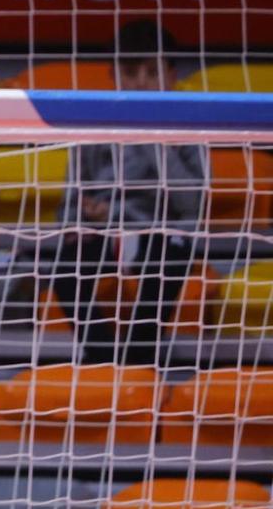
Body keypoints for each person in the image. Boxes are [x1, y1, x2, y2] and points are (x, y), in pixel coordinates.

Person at [41, 19, 205, 368]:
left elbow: (193, 203)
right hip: (102, 232)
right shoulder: (94, 123)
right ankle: (104, 359)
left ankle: (139, 360)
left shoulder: (193, 123)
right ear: (114, 75)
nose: (141, 82)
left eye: (151, 72)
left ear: (172, 75)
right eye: (131, 72)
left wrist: (147, 136)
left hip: (157, 234)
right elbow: (69, 202)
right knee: (62, 268)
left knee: (170, 259)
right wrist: (84, 215)